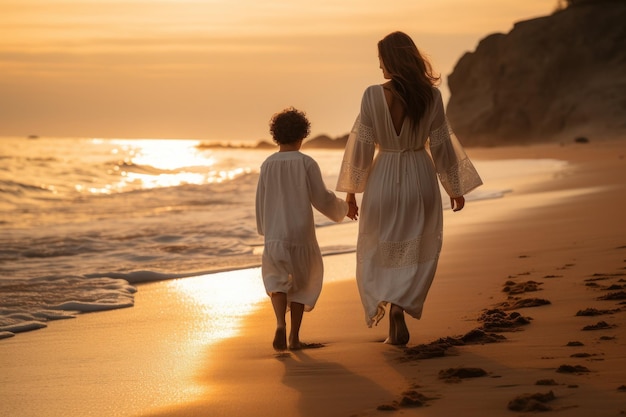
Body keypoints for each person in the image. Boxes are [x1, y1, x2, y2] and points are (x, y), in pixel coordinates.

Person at [336, 31, 483, 345]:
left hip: (383, 176)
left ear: (390, 60)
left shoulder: (372, 95)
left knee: (379, 247)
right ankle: (401, 304)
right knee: (414, 249)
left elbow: (361, 145)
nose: (380, 68)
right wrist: (454, 187)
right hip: (419, 175)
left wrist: (351, 192)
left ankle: (387, 300)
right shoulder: (431, 96)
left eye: (381, 61)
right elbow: (441, 144)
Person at [256, 107, 358, 351]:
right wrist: (344, 208)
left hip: (276, 234)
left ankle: (280, 324)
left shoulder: (267, 164)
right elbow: (320, 198)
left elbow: (261, 200)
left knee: (277, 280)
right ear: (302, 135)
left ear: (276, 135)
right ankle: (294, 337)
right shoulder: (306, 162)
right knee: (301, 282)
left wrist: (265, 229)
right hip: (301, 232)